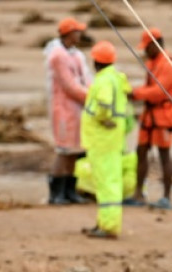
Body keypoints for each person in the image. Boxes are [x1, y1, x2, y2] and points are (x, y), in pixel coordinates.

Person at [81, 41, 132, 239]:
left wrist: (103, 118)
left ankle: (108, 226)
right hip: (108, 140)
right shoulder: (115, 78)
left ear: (96, 61)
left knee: (107, 183)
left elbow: (103, 104)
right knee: (105, 182)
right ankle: (103, 222)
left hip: (102, 140)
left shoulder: (104, 80)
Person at [129, 28, 172, 209]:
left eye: (147, 47)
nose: (144, 51)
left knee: (164, 155)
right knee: (141, 150)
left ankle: (166, 197)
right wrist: (138, 93)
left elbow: (160, 92)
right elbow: (148, 87)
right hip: (149, 114)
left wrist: (135, 94)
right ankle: (138, 194)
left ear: (155, 43)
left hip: (164, 115)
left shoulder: (169, 64)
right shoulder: (152, 61)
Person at [44, 17, 91, 205]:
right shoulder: (57, 56)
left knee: (74, 150)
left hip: (78, 109)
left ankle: (69, 190)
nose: (80, 34)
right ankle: (56, 193)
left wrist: (92, 94)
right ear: (69, 33)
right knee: (63, 150)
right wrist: (92, 97)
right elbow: (70, 86)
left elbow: (86, 79)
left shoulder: (77, 55)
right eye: (77, 31)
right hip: (63, 109)